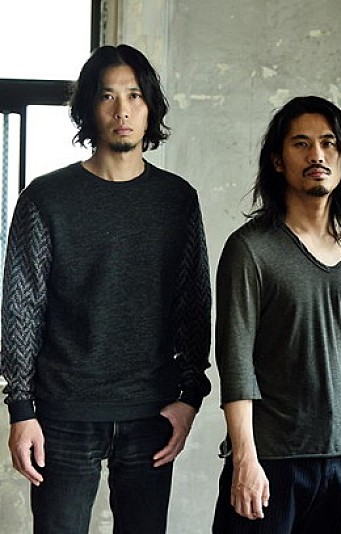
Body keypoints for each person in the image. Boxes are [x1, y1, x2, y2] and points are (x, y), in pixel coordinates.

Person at [0, 44, 212, 534]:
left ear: (150, 107)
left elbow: (194, 303)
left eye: (135, 95)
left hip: (152, 412)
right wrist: (21, 409)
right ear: (88, 109)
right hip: (63, 412)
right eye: (107, 96)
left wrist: (190, 397)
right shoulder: (46, 198)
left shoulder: (176, 200)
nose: (122, 110)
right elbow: (21, 307)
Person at [212, 95, 341, 534]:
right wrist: (245, 458)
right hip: (269, 460)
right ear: (277, 160)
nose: (317, 155)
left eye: (329, 143)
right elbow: (236, 363)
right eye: (301, 144)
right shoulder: (251, 249)